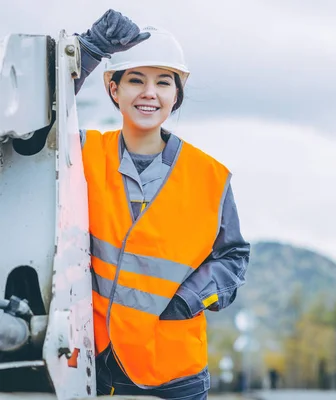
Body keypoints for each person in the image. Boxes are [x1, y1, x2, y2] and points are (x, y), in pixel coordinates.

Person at [72, 9, 250, 400]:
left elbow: (233, 258)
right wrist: (84, 53)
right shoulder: (83, 154)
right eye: (135, 79)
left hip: (173, 374)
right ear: (114, 90)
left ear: (176, 94)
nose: (149, 92)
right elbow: (32, 127)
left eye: (163, 82)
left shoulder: (210, 177)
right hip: (95, 367)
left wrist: (188, 301)